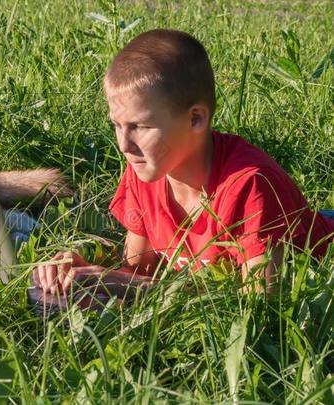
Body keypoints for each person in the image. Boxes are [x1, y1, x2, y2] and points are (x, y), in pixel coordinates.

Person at [33, 29, 334, 295]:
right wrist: (86, 270)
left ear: (195, 119)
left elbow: (260, 304)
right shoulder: (145, 171)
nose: (124, 145)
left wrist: (129, 284)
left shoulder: (251, 186)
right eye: (116, 125)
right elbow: (139, 272)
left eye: (140, 127)